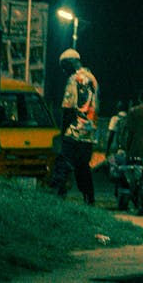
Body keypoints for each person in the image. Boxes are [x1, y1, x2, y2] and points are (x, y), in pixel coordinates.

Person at [51, 48, 99, 205]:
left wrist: (63, 132)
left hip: (74, 131)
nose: (64, 71)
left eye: (64, 67)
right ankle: (89, 199)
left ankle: (57, 198)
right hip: (90, 132)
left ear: (70, 63)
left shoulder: (73, 79)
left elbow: (68, 107)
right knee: (83, 168)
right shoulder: (93, 79)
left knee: (63, 165)